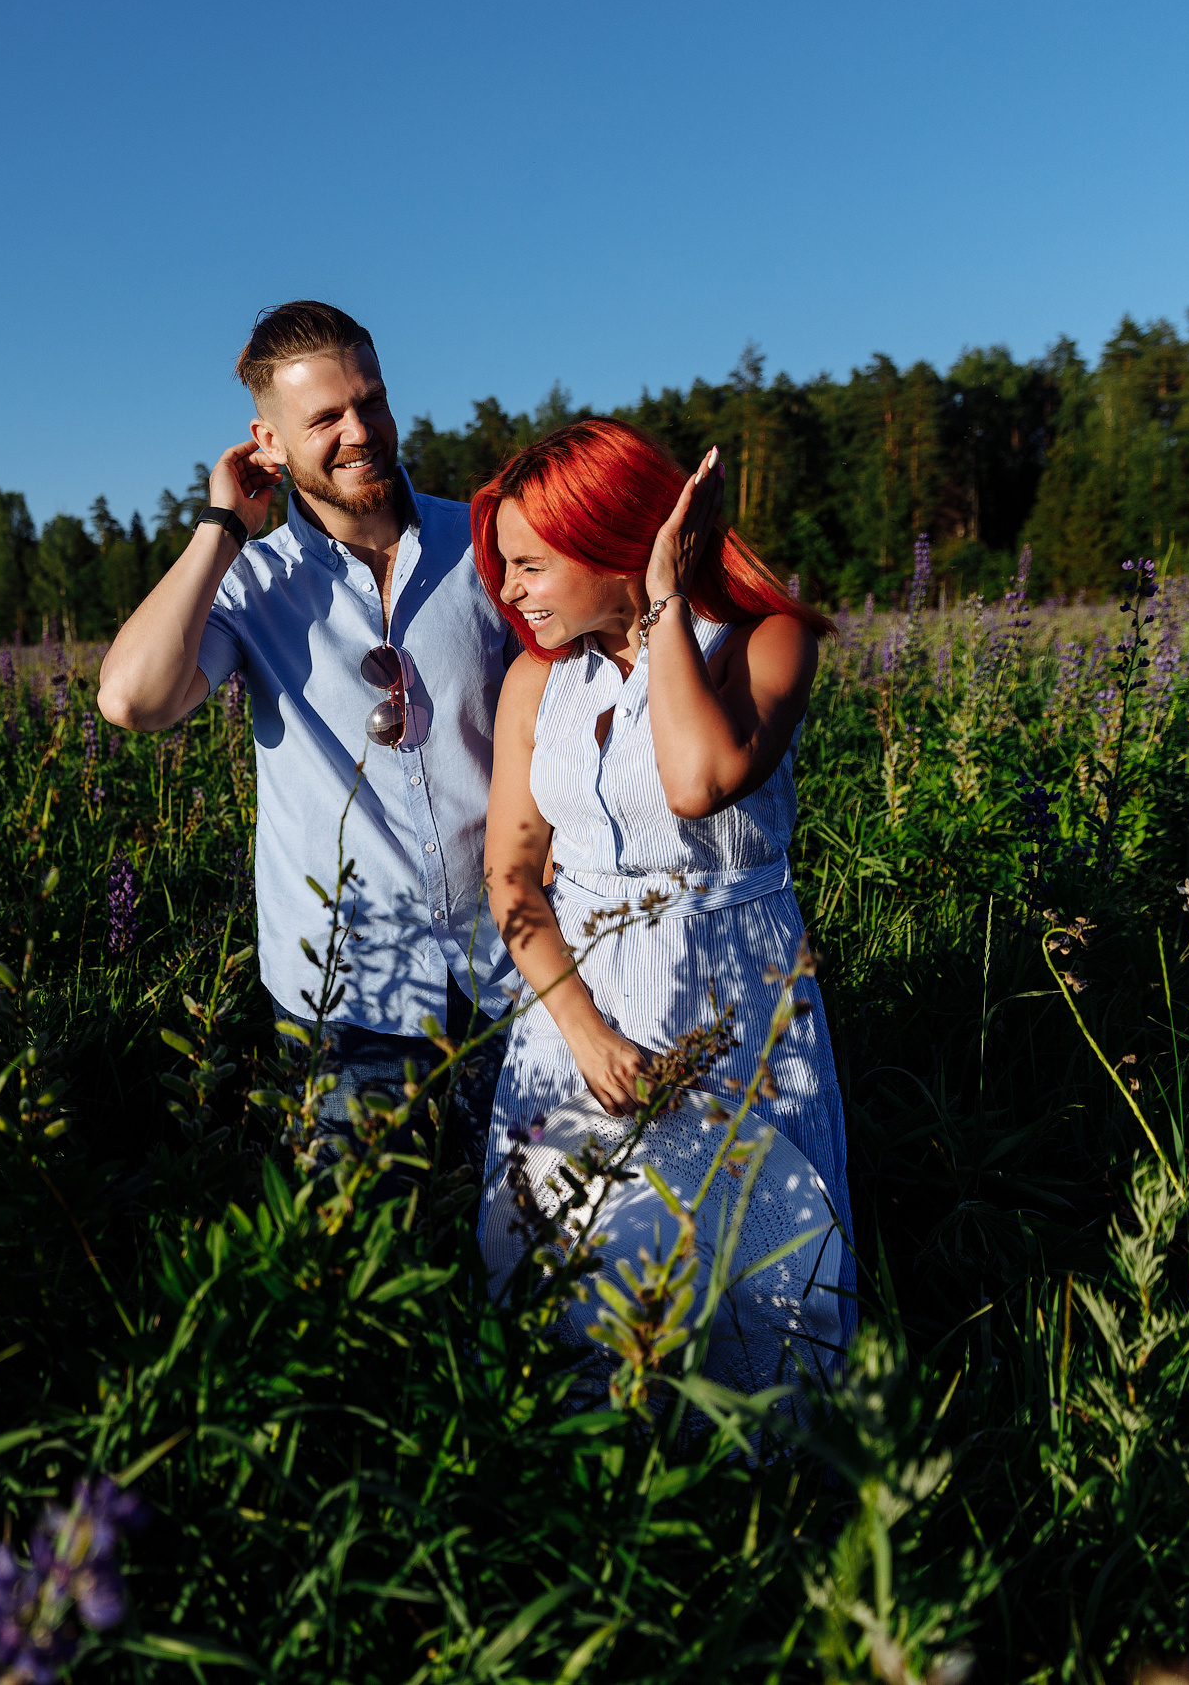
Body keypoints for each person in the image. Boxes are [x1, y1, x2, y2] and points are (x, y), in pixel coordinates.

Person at [471, 420, 852, 1400]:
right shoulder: (535, 683)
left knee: (758, 1265)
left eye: (528, 565)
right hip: (579, 1008)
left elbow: (696, 780)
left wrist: (667, 600)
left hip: (734, 992)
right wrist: (584, 1033)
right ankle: (595, 1486)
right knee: (579, 1262)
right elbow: (512, 881)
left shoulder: (765, 642)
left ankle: (757, 1499)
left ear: (617, 541)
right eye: (503, 567)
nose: (507, 592)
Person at [97, 302, 516, 1163]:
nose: (359, 431)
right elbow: (133, 701)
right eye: (324, 417)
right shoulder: (253, 584)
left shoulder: (486, 542)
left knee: (529, 1255)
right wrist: (220, 528)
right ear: (268, 441)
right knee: (363, 1271)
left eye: (372, 401)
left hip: (510, 975)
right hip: (349, 1007)